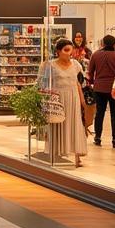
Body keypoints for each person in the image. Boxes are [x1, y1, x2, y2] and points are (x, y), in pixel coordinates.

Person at [37, 38, 87, 169]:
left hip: (73, 98)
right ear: (58, 51)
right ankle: (56, 153)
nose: (69, 53)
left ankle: (77, 155)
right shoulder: (50, 65)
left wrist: (83, 101)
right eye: (65, 50)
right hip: (57, 98)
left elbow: (78, 84)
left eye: (70, 50)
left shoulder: (76, 65)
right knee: (57, 124)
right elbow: (42, 83)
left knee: (74, 124)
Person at [88, 35, 115, 149]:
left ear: (102, 43)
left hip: (99, 88)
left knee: (99, 114)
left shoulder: (96, 55)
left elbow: (90, 71)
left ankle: (97, 138)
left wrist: (93, 82)